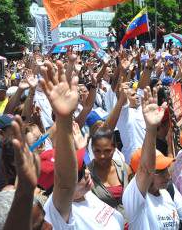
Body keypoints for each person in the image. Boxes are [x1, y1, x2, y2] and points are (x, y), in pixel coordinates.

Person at [39, 61, 124, 229]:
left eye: (83, 166)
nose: (86, 173)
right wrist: (63, 119)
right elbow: (65, 183)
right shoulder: (59, 212)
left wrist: (78, 147)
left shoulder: (85, 193)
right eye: (76, 175)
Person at [122, 87, 182, 230]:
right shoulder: (135, 200)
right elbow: (146, 170)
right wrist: (151, 128)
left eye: (166, 169)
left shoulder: (169, 190)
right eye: (160, 171)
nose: (168, 175)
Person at [88, 127, 131, 221]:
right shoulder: (87, 175)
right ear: (92, 149)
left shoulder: (124, 169)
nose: (102, 156)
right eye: (97, 151)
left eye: (107, 151)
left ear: (115, 148)